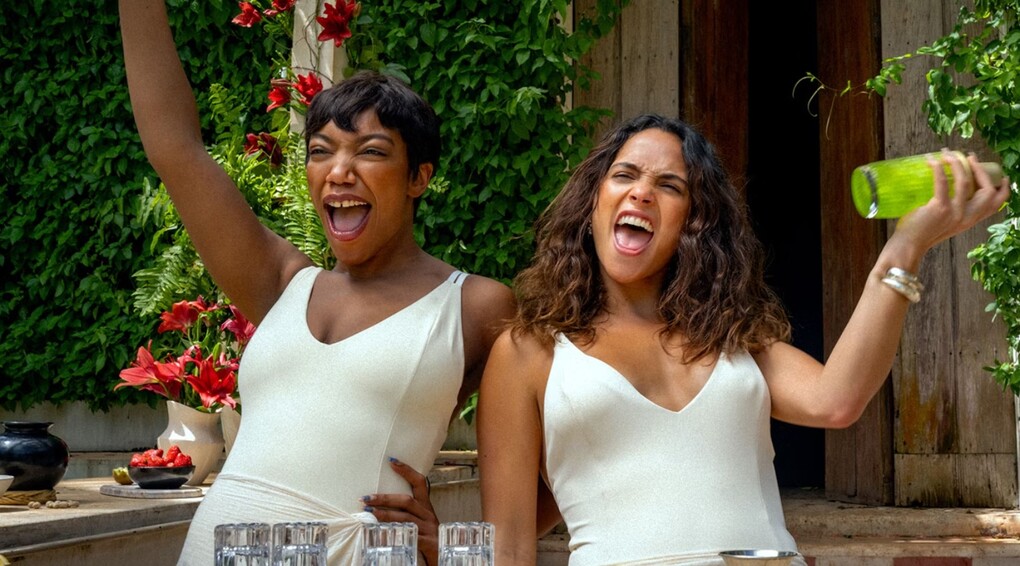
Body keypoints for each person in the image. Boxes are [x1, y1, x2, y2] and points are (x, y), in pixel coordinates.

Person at [477, 114, 1011, 565]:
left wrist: (905, 248)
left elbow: (837, 399)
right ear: (592, 202)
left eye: (670, 185)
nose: (642, 191)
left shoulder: (728, 335)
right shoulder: (529, 352)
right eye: (625, 175)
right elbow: (509, 547)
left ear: (693, 222)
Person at [119, 2, 515, 564]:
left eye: (371, 152)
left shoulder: (476, 305)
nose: (338, 171)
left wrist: (453, 546)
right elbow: (174, 147)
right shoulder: (281, 282)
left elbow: (573, 460)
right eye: (320, 152)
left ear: (419, 177)